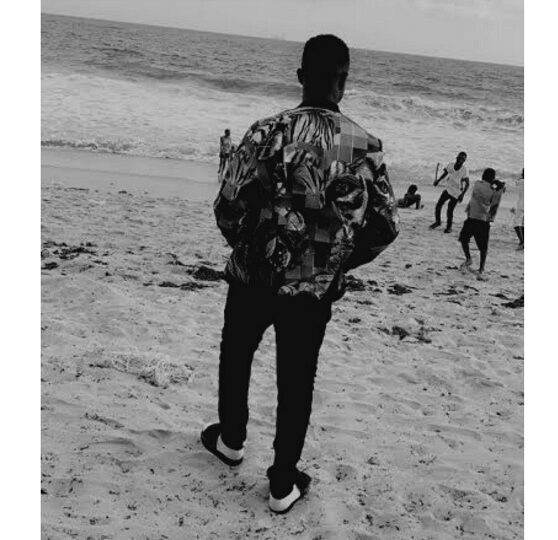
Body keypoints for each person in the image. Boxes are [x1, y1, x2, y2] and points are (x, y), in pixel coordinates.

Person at [203, 34, 399, 514]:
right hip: (313, 288)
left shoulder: (264, 132)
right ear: (344, 80)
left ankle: (231, 440)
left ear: (300, 76)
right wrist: (335, 260)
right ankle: (282, 483)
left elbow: (227, 207)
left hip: (253, 274)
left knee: (236, 355)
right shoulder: (363, 146)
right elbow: (386, 227)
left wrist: (250, 247)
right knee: (297, 380)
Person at [458, 168, 505, 279]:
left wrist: (497, 186)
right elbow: (495, 204)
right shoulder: (494, 191)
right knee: (483, 247)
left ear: (483, 176)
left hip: (471, 217)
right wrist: (499, 187)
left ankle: (468, 259)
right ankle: (481, 268)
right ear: (492, 178)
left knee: (464, 239)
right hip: (483, 220)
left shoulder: (477, 184)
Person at [430, 151, 470, 233]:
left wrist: (462, 195)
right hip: (448, 189)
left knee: (450, 210)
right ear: (456, 158)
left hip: (456, 193)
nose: (460, 160)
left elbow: (468, 184)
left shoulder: (464, 170)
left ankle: (449, 227)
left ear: (464, 161)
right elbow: (445, 173)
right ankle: (438, 222)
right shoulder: (450, 165)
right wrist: (438, 181)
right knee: (438, 205)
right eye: (459, 158)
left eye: (462, 159)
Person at [511, 168, 524, 250]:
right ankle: (523, 241)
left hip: (521, 205)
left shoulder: (521, 181)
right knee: (523, 223)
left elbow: (516, 183)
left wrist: (520, 177)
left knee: (516, 223)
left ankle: (522, 242)